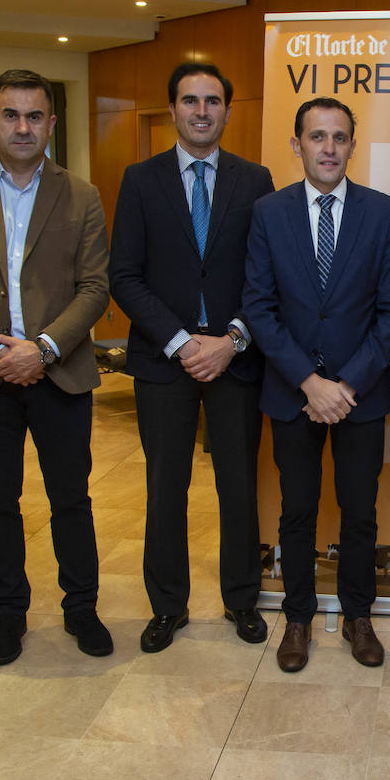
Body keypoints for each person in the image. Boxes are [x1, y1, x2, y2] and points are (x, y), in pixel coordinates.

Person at [0, 69, 112, 666]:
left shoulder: (81, 194)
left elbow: (94, 287)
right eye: (12, 114)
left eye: (35, 116)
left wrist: (44, 348)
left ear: (52, 124)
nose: (23, 126)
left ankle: (81, 606)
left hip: (59, 373)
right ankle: (9, 611)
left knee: (71, 498)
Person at [109, 62, 275, 652]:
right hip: (163, 360)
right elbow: (124, 276)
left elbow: (267, 274)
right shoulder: (140, 179)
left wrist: (231, 340)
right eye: (189, 100)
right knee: (165, 486)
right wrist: (181, 343)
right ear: (173, 109)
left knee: (238, 485)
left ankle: (241, 600)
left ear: (229, 111)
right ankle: (167, 606)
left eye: (212, 101)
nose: (201, 111)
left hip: (235, 357)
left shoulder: (256, 180)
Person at [242, 97, 390, 672]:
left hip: (360, 397)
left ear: (352, 147)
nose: (329, 148)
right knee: (297, 512)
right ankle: (299, 619)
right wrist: (311, 382)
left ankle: (359, 617)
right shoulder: (268, 212)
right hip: (293, 394)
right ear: (297, 146)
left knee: (359, 511)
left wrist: (345, 385)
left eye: (340, 138)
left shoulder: (384, 214)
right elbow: (259, 309)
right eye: (318, 137)